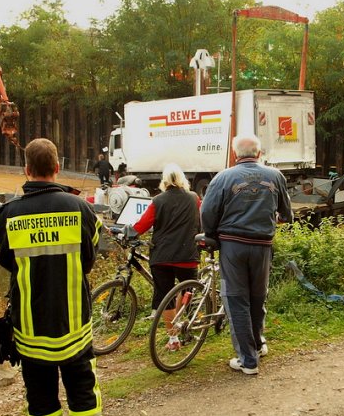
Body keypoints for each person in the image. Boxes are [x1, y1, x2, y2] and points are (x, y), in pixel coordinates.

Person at [0, 138, 114, 416]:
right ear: (57, 167)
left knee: (40, 392)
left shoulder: (8, 215)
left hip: (31, 326)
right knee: (82, 386)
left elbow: (6, 261)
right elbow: (90, 257)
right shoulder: (81, 209)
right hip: (73, 321)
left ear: (27, 170)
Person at [200, 135, 292, 375]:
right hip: (262, 246)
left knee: (236, 298)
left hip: (233, 246)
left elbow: (207, 213)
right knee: (258, 296)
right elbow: (286, 213)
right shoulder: (275, 176)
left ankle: (247, 360)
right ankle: (258, 345)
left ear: (235, 155)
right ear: (259, 154)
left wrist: (211, 234)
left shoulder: (223, 178)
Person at [125, 163, 201, 350]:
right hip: (187, 255)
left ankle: (173, 340)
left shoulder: (158, 201)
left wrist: (128, 233)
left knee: (165, 295)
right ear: (183, 179)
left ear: (164, 181)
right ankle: (186, 325)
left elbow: (142, 226)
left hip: (162, 257)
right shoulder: (194, 199)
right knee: (188, 290)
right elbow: (201, 221)